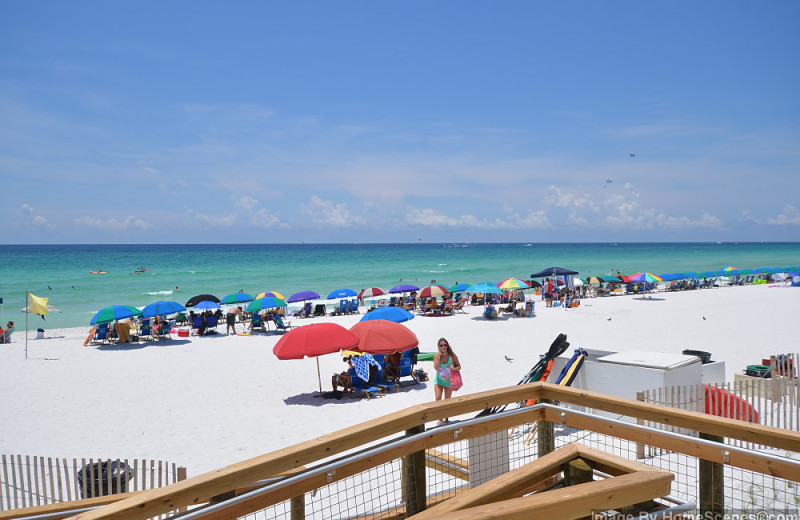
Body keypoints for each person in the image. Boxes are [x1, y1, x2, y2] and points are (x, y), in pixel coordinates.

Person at [433, 337, 461, 423]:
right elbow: (436, 368)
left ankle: (446, 418)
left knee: (447, 400)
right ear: (439, 347)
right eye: (441, 345)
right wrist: (438, 358)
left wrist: (454, 368)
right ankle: (440, 418)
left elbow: (459, 366)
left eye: (445, 345)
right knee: (438, 399)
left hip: (449, 381)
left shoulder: (452, 355)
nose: (443, 347)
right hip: (439, 380)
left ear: (447, 346)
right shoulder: (436, 355)